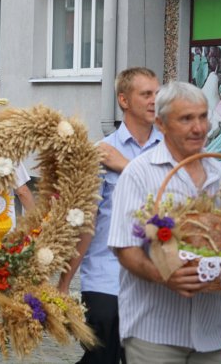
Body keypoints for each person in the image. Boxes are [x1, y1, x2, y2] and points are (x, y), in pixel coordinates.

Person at [107, 81, 221, 363]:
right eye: (186, 119)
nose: (199, 128)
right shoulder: (139, 173)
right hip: (154, 334)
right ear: (161, 123)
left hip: (212, 333)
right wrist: (163, 274)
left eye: (202, 116)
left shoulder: (220, 174)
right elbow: (125, 248)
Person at [58, 67, 162, 364]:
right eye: (146, 94)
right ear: (124, 100)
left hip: (153, 282)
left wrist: (127, 167)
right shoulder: (101, 153)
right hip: (105, 279)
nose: (154, 100)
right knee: (101, 357)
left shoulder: (170, 152)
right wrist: (64, 284)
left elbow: (174, 206)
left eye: (157, 93)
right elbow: (87, 224)